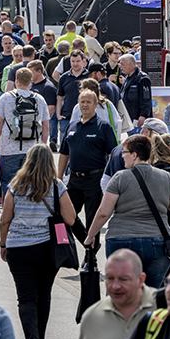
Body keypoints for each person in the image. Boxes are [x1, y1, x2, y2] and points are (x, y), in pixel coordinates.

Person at [0, 144, 75, 339]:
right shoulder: (57, 186)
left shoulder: (16, 185)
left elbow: (5, 219)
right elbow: (70, 218)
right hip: (46, 249)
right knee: (44, 295)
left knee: (26, 298)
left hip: (19, 249)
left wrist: (3, 244)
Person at [84, 134, 170, 289]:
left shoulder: (119, 177)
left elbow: (104, 212)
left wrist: (90, 236)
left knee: (119, 293)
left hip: (121, 240)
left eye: (125, 153)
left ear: (134, 155)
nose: (122, 156)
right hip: (157, 243)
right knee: (151, 295)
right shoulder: (165, 177)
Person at [59, 89, 119, 247]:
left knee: (93, 219)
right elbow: (64, 153)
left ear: (95, 105)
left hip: (94, 180)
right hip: (74, 180)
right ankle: (85, 243)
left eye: (88, 102)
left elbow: (112, 155)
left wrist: (110, 180)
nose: (84, 105)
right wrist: (58, 178)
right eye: (82, 102)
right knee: (63, 215)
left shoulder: (103, 127)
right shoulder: (72, 126)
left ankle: (90, 258)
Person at [76, 249, 156, 339]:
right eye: (110, 278)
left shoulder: (166, 308)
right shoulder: (92, 317)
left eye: (124, 279)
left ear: (141, 279)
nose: (115, 286)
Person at [0, 67, 51, 199]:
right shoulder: (39, 99)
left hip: (9, 149)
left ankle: (8, 212)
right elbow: (46, 126)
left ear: (16, 80)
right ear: (30, 81)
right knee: (30, 182)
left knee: (8, 182)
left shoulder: (6, 97)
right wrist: (43, 146)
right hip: (31, 150)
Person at [55, 49, 89, 150]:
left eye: (78, 61)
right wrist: (58, 114)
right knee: (64, 150)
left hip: (85, 117)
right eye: (73, 61)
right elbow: (60, 97)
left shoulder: (88, 76)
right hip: (66, 117)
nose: (75, 64)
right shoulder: (64, 77)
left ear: (83, 61)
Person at [119, 54, 153, 130]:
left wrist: (143, 115)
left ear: (130, 65)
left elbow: (146, 99)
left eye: (122, 64)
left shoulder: (142, 78)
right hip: (128, 119)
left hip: (138, 120)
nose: (120, 66)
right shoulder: (127, 78)